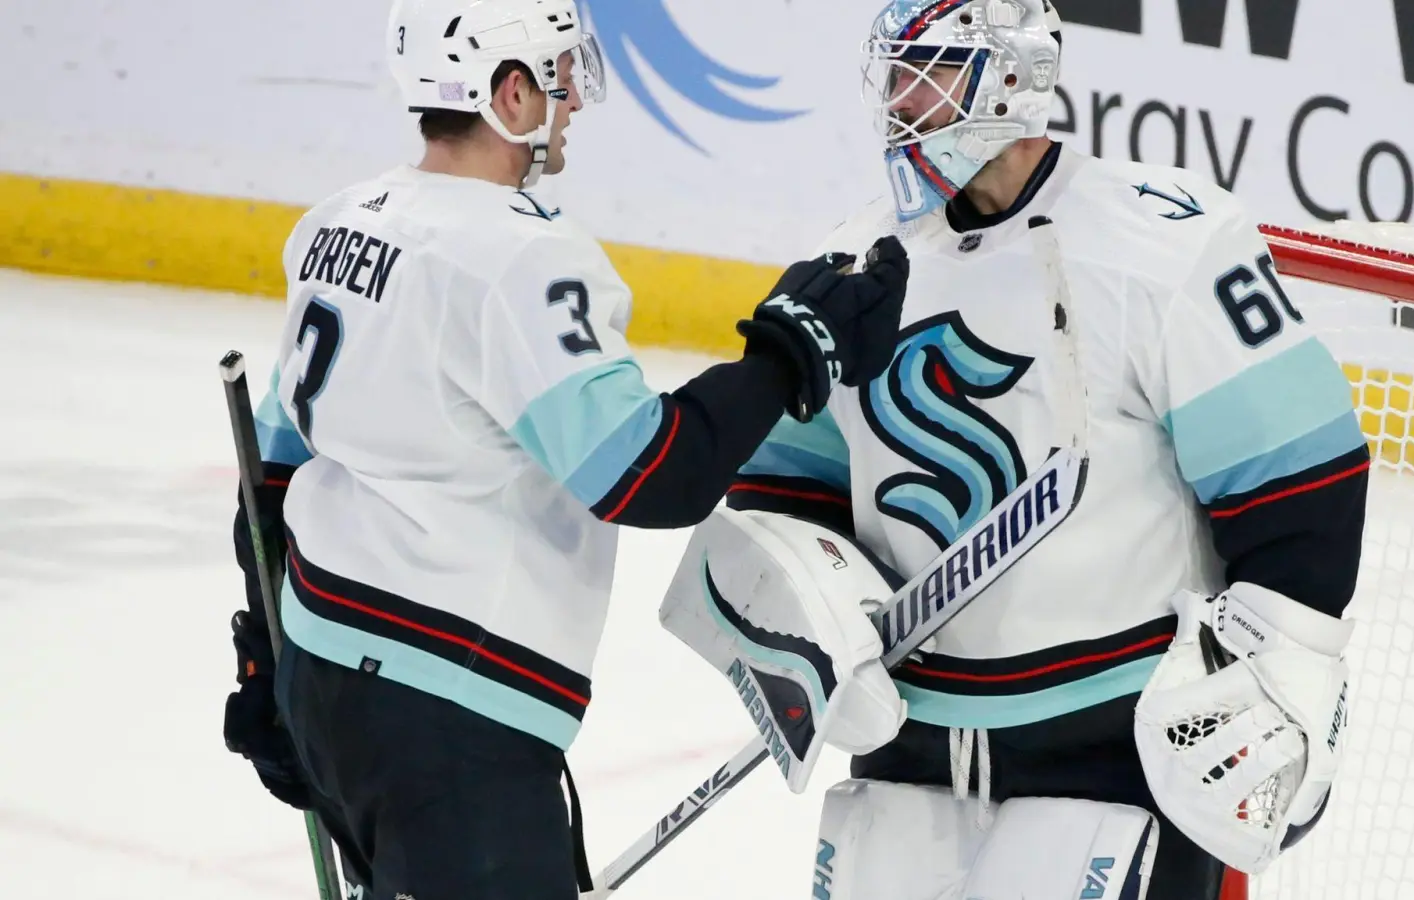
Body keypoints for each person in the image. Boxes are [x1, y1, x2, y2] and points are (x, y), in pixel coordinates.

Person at [658, 1, 1371, 898]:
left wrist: (1279, 675)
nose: (901, 101)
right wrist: (810, 633)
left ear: (1014, 79)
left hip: (1115, 754)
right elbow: (787, 492)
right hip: (907, 751)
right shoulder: (854, 261)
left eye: (932, 71)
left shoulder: (1166, 248)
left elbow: (1303, 478)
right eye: (895, 74)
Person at [218, 1, 910, 897]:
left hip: (323, 671)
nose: (573, 100)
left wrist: (264, 654)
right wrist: (785, 356)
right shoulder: (520, 260)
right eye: (557, 76)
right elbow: (646, 474)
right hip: (449, 718)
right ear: (508, 94)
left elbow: (270, 472)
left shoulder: (338, 224)